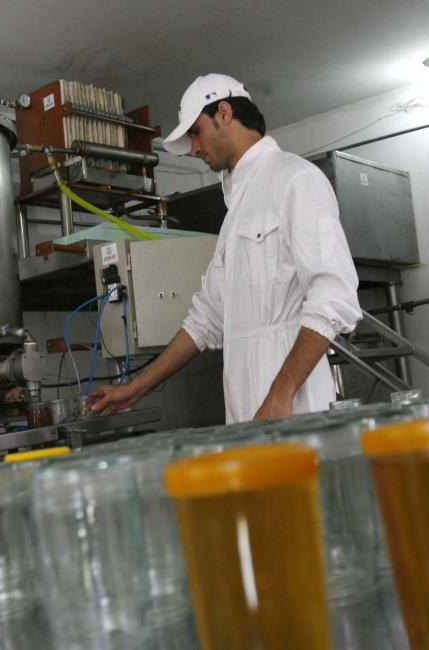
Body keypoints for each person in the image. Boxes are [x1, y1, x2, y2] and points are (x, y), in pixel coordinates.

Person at [91, 73, 361, 423]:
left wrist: (281, 393)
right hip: (243, 401)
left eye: (195, 132)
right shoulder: (235, 213)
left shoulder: (295, 179)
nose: (194, 149)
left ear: (223, 112)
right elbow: (206, 320)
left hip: (294, 402)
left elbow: (333, 296)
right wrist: (135, 387)